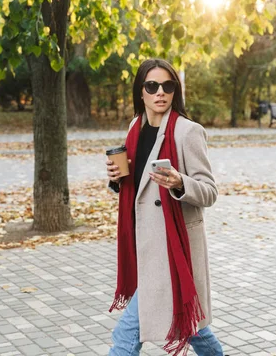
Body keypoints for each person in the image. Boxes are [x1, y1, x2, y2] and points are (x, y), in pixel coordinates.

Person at [105, 59, 222, 356]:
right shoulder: (135, 127)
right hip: (144, 244)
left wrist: (179, 182)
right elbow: (138, 186)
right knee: (193, 326)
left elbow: (209, 191)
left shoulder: (187, 132)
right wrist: (118, 179)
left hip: (174, 248)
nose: (160, 92)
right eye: (152, 86)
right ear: (140, 91)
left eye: (167, 86)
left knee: (126, 335)